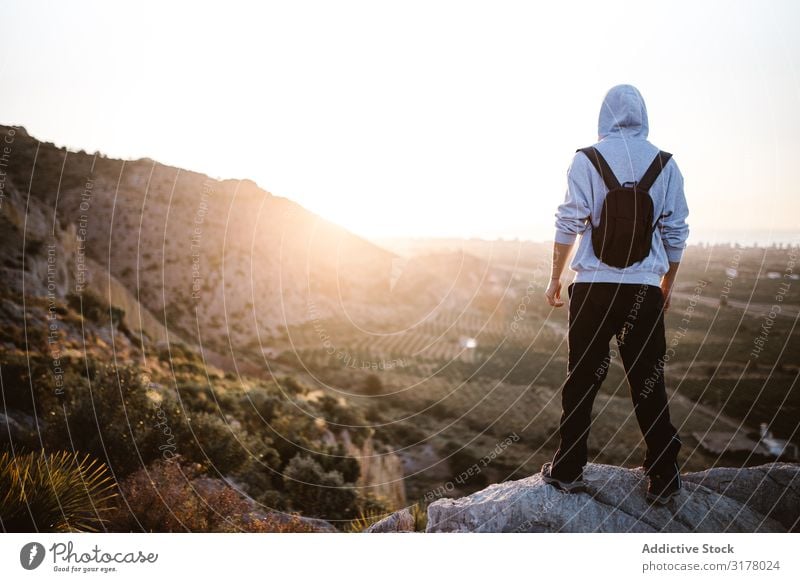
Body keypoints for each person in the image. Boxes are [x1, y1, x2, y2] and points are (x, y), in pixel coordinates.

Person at [540, 84, 689, 505]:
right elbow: (676, 232)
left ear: (604, 114)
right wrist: (667, 285)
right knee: (648, 381)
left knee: (582, 377)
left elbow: (568, 222)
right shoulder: (666, 165)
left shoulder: (586, 159)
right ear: (643, 113)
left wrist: (555, 278)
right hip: (643, 289)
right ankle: (663, 473)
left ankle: (568, 467)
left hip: (593, 288)